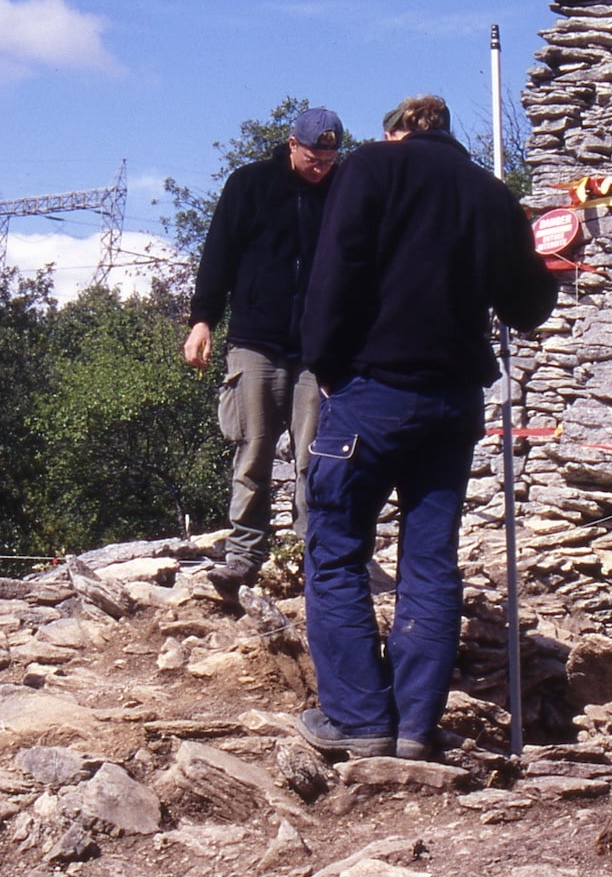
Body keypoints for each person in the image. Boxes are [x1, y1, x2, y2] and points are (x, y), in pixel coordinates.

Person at [298, 94, 557, 760]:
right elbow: (528, 306)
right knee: (430, 560)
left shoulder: (369, 171)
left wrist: (325, 366)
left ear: (395, 133)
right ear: (446, 134)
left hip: (373, 389)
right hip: (452, 403)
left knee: (336, 549)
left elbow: (334, 272)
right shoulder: (489, 193)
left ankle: (359, 720)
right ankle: (414, 726)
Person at [184, 106, 344, 592]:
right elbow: (218, 255)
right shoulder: (249, 184)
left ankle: (311, 557)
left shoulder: (343, 193)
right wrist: (203, 319)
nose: (321, 167)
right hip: (255, 341)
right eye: (313, 158)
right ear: (292, 145)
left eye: (329, 159)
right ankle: (244, 555)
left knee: (313, 457)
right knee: (252, 451)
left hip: (317, 348)